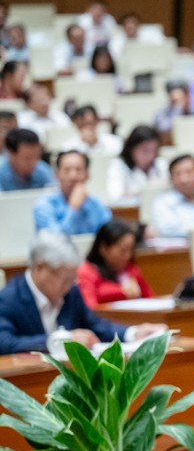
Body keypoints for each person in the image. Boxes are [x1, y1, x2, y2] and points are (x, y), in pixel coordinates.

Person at [0, 232, 163, 354]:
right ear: (40, 267)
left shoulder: (71, 292)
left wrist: (133, 333)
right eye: (64, 279)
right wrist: (59, 341)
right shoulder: (9, 298)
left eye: (73, 279)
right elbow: (5, 343)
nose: (69, 286)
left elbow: (96, 325)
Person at [76, 219, 154, 308]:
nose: (127, 256)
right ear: (104, 248)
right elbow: (90, 309)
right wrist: (122, 291)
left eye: (130, 250)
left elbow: (150, 299)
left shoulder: (131, 270)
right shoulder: (87, 271)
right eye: (122, 251)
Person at [33, 150, 112, 236]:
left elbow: (108, 238)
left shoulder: (96, 204)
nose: (73, 176)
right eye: (67, 170)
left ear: (87, 175)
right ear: (56, 174)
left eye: (78, 170)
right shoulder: (44, 205)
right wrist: (73, 208)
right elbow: (54, 242)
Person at [107, 125, 168, 205]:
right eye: (145, 151)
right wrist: (144, 191)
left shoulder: (160, 163)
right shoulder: (118, 166)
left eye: (153, 150)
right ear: (131, 148)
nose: (150, 155)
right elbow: (115, 198)